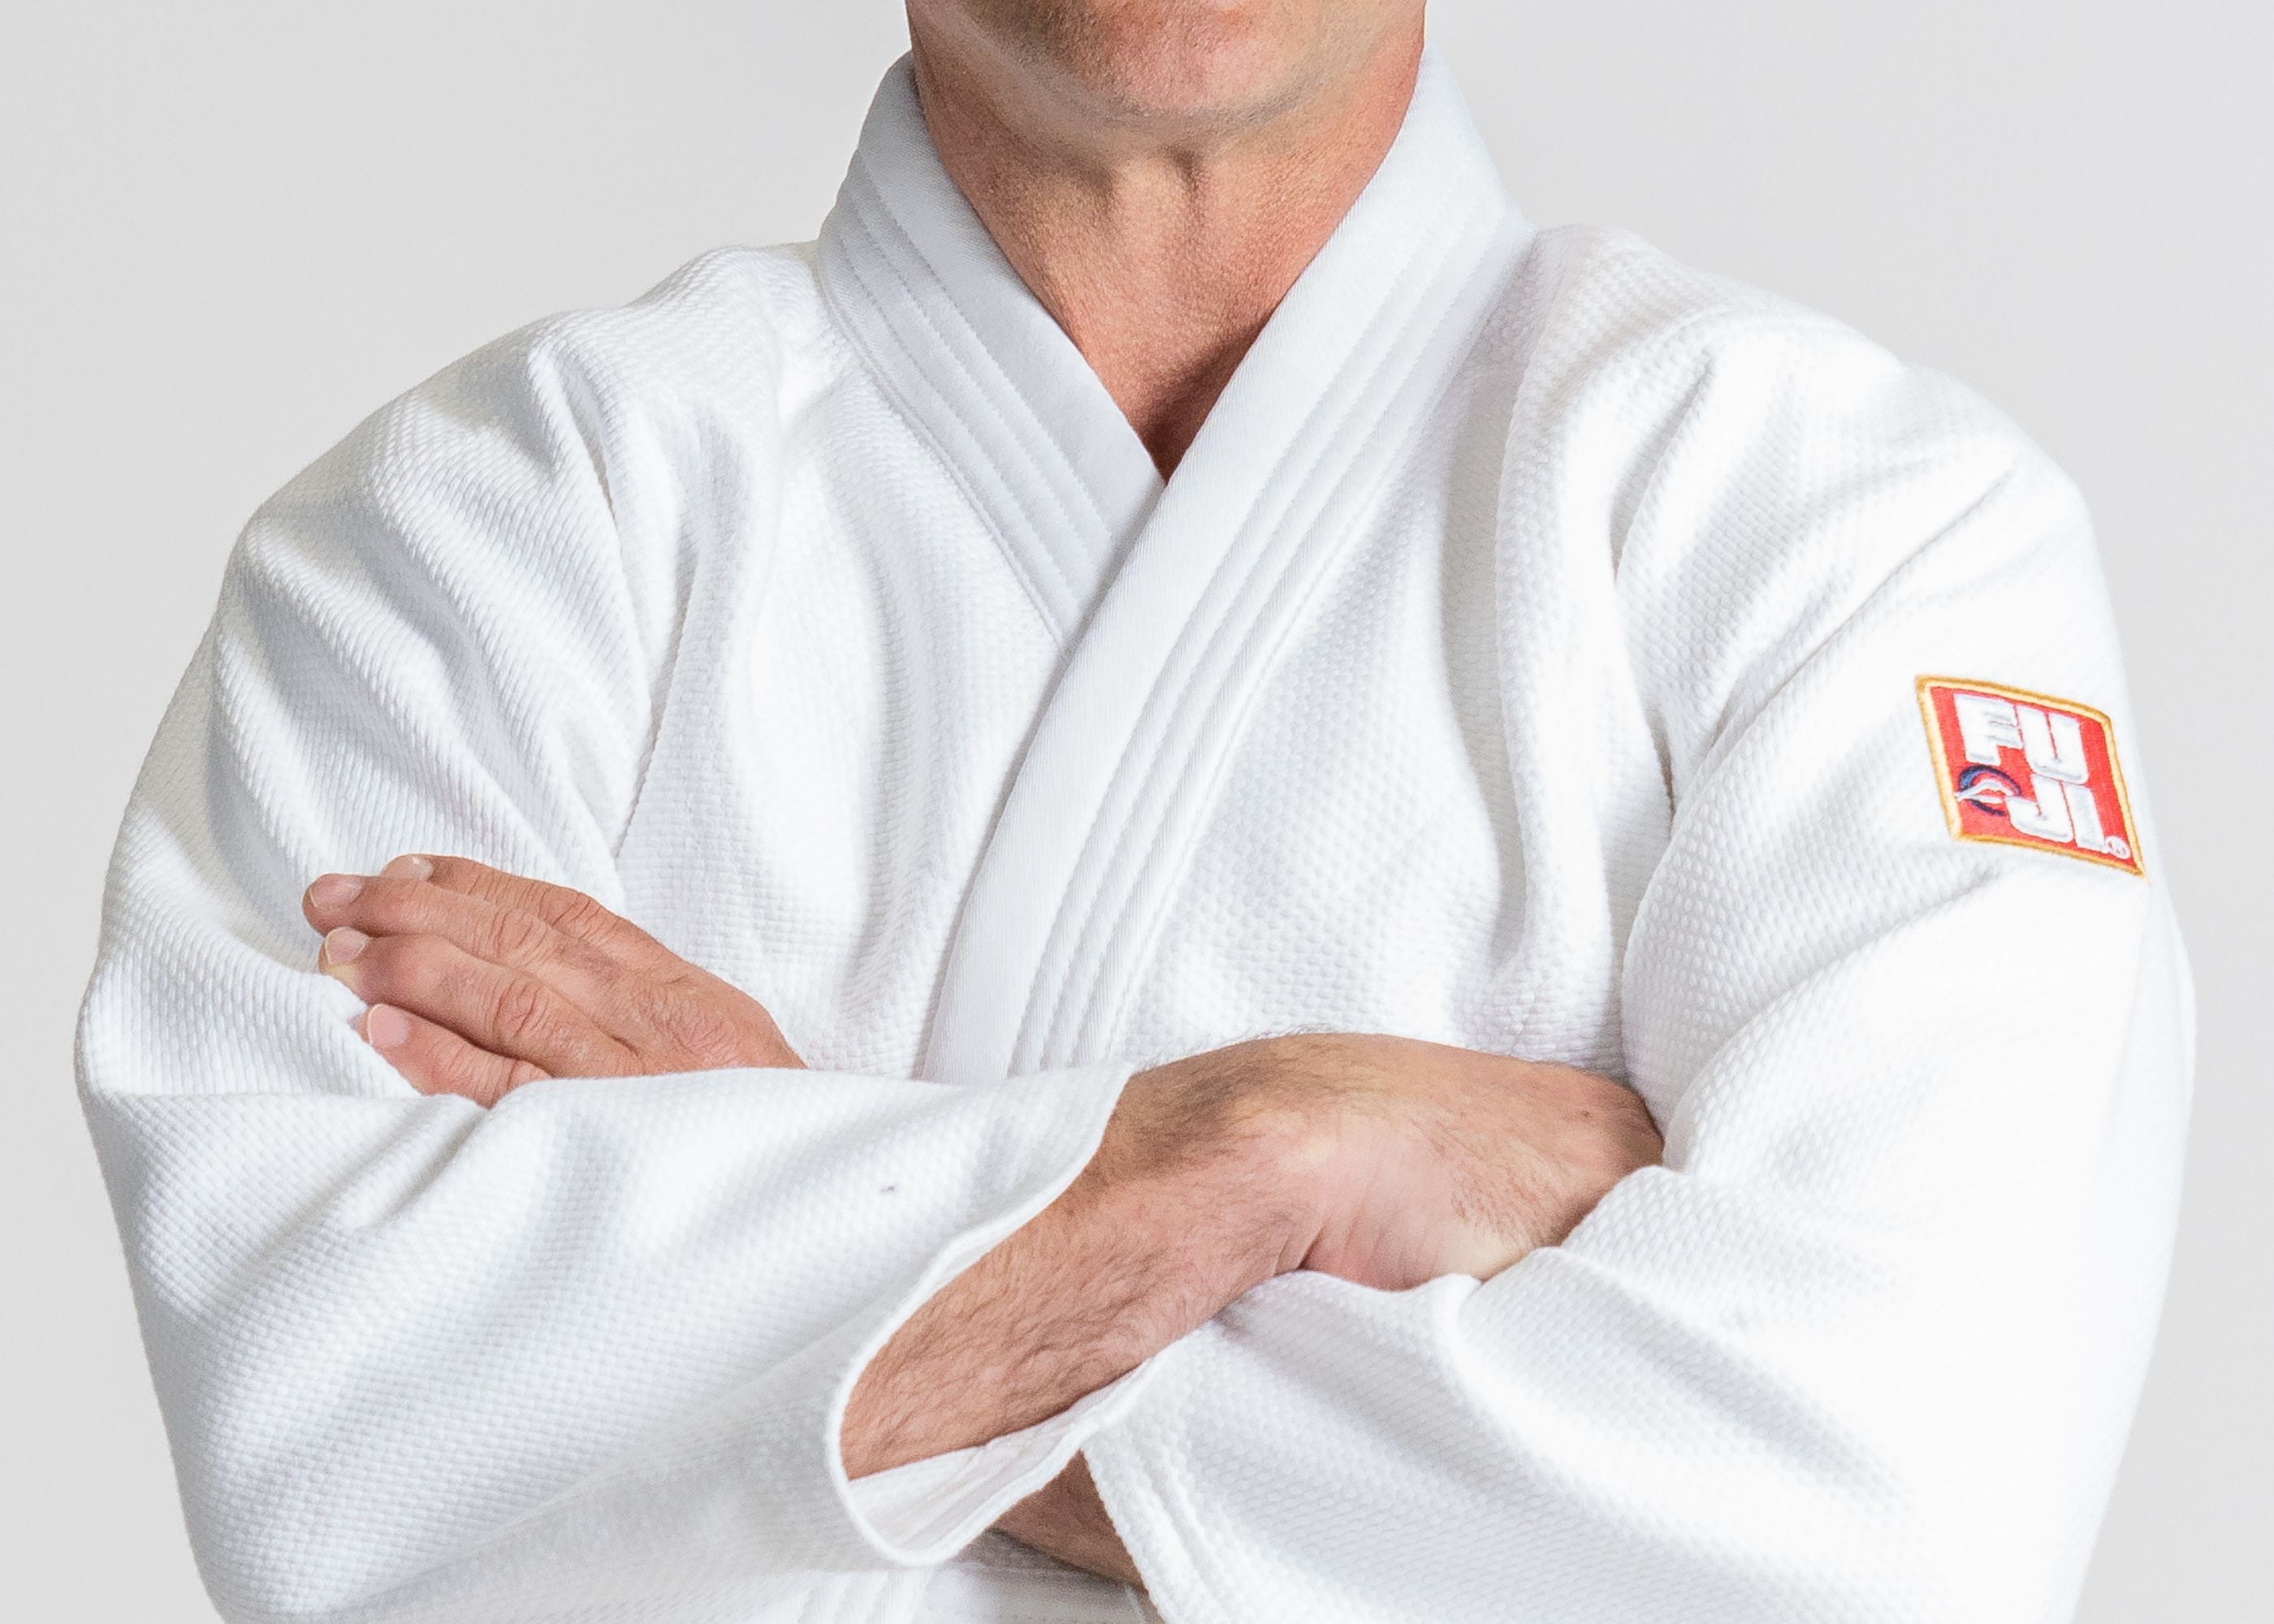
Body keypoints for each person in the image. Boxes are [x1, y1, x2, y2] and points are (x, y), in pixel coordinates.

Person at [76, 2, 2190, 1621]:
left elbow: (1888, 1503)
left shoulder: (1843, 530)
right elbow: (354, 1460)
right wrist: (1248, 1145)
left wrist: (761, 1215)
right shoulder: (468, 549)